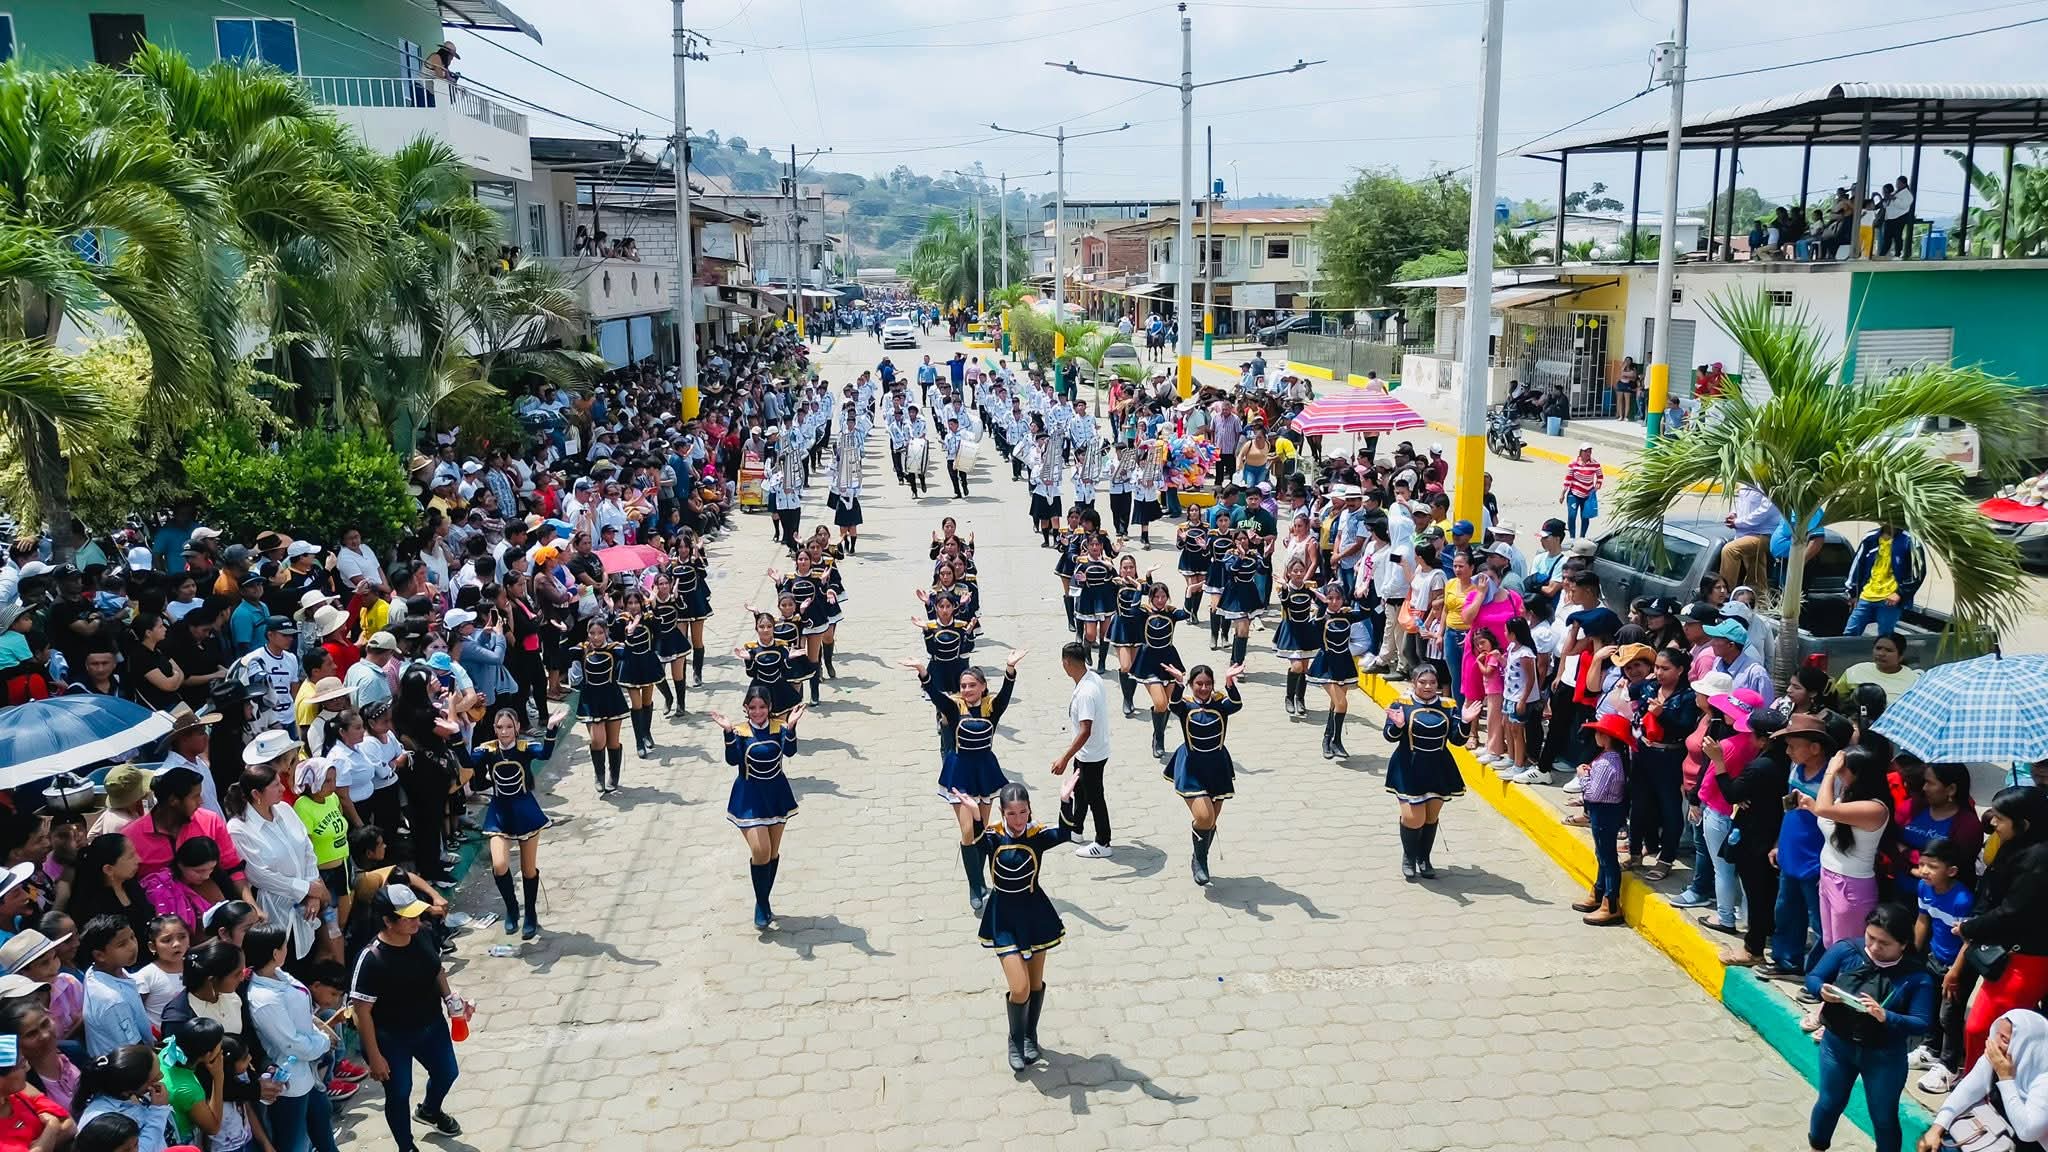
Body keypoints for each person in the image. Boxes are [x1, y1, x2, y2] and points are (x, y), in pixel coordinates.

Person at [1804, 903, 1936, 1152]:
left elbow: (1921, 1022)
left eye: (1884, 943)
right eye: (1870, 937)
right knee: (1829, 1103)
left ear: (1903, 944)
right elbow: (1813, 976)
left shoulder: (1917, 977)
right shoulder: (1846, 950)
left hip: (1884, 1057)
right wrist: (1821, 990)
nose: (1874, 947)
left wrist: (1886, 1016)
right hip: (1837, 1047)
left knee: (1884, 1117)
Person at [905, 651, 1024, 914]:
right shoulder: (953, 706)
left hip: (985, 773)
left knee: (982, 831)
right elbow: (935, 695)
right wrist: (922, 672)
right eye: (963, 686)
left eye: (972, 685)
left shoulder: (991, 708)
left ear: (982, 687)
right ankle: (975, 886)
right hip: (959, 774)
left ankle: (980, 882)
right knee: (968, 831)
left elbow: (1006, 695)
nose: (967, 690)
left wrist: (1010, 668)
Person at [349, 885, 465, 1151]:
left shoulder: (423, 934)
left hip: (432, 1026)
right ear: (388, 921)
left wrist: (450, 999)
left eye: (417, 914)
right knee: (399, 1093)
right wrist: (374, 1056)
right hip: (392, 1039)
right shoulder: (371, 959)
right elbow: (361, 1012)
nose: (416, 920)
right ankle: (406, 1146)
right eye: (408, 917)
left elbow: (437, 970)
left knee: (447, 1073)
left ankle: (429, 1111)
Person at [975, 782, 1078, 1072]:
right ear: (1002, 812)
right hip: (1003, 920)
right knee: (1019, 988)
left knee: (1034, 984)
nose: (1018, 819)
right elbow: (974, 844)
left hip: (1035, 916)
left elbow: (1065, 833)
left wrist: (1065, 800)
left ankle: (1031, 1036)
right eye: (1011, 814)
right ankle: (1015, 1040)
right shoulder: (994, 836)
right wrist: (975, 816)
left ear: (1030, 810)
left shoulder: (1036, 835)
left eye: (1023, 812)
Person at [1950, 786, 2048, 1070]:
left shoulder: (2039, 861)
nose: (1992, 822)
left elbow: (2012, 911)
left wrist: (1969, 928)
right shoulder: (2014, 846)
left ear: (2024, 824)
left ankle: (1983, 1087)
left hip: (2027, 961)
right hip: (2007, 953)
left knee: (1987, 1031)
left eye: (2001, 818)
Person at [709, 689, 805, 930]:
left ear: (769, 707)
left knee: (772, 853)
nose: (758, 712)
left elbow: (790, 751)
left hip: (777, 795)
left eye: (762, 707)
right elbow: (733, 760)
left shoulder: (779, 727)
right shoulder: (740, 731)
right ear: (746, 708)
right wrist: (727, 731)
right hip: (749, 798)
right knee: (761, 850)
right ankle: (762, 904)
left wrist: (792, 727)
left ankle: (764, 902)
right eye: (752, 707)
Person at [243, 922, 336, 1152]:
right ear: (276, 953)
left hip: (307, 1074)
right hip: (288, 1083)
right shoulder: (264, 999)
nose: (288, 949)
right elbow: (291, 1043)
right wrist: (323, 1042)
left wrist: (318, 1035)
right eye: (285, 945)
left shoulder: (279, 976)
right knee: (294, 1144)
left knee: (323, 1132)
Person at [1157, 662, 1245, 886]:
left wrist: (1230, 683)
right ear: (1191, 684)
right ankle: (1200, 861)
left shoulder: (1220, 704)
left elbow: (1236, 704)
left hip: (1217, 767)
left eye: (1208, 684)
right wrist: (1178, 683)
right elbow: (1173, 705)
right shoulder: (1186, 706)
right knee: (1204, 817)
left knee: (1211, 819)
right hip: (1192, 767)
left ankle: (1199, 856)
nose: (1204, 688)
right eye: (1199, 684)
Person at [1383, 661, 1471, 880]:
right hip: (1409, 767)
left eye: (1432, 682)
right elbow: (1389, 736)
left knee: (1431, 817)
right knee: (1414, 818)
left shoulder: (1448, 706)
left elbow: (1457, 740)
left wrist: (1466, 722)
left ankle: (1424, 858)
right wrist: (1398, 726)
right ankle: (1409, 856)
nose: (1428, 686)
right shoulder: (1401, 704)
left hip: (1438, 767)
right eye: (1422, 682)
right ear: (1414, 683)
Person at [1921, 1009, 2048, 1152]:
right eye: (1996, 1033)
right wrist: (1936, 1129)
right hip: (1996, 1132)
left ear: (2026, 1047)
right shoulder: (1998, 1057)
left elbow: (2027, 1132)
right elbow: (1966, 1091)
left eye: (2004, 1039)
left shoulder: (2043, 1081)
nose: (1994, 1044)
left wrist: (2006, 1079)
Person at [1911, 837, 1977, 1094]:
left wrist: (1955, 972)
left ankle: (1949, 1066)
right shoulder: (1923, 887)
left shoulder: (1962, 899)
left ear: (1951, 871)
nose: (1925, 871)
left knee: (1949, 1016)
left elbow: (1968, 941)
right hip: (1934, 958)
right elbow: (1922, 921)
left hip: (1958, 965)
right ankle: (1930, 1050)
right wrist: (1912, 954)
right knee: (1930, 1007)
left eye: (1932, 866)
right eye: (1922, 864)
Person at [1573, 712, 1635, 927]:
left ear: (1607, 738)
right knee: (1602, 854)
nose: (1596, 736)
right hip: (1608, 812)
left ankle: (1611, 904)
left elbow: (1592, 794)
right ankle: (1599, 892)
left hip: (1604, 813)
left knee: (1607, 858)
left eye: (1599, 732)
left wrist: (1583, 777)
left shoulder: (1607, 762)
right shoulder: (1612, 758)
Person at [1052, 642, 1113, 861]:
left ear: (1066, 663)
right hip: (1090, 751)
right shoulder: (1092, 677)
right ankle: (1076, 830)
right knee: (1080, 790)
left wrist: (1064, 758)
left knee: (1095, 798)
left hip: (1091, 754)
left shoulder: (1085, 694)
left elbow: (1085, 731)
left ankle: (1103, 842)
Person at [72, 1044, 175, 1152]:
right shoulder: (104, 1122)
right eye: (154, 1079)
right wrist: (158, 1111)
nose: (162, 1076)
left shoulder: (129, 1095)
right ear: (128, 1089)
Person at [1843, 524, 1922, 638]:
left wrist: (1900, 593)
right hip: (1866, 595)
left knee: (1885, 637)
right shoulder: (1870, 538)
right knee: (1850, 633)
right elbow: (1857, 565)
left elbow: (1918, 572)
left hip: (1890, 599)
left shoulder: (1909, 541)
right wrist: (1853, 593)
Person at [1561, 446, 1602, 538]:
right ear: (1581, 452)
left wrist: (1597, 485)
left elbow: (1600, 476)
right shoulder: (1573, 463)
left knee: (1585, 517)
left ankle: (1582, 537)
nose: (1588, 454)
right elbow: (1568, 479)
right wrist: (1563, 494)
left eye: (1590, 452)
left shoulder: (1595, 464)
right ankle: (1572, 538)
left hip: (1587, 496)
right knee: (1572, 516)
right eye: (1586, 451)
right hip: (1574, 494)